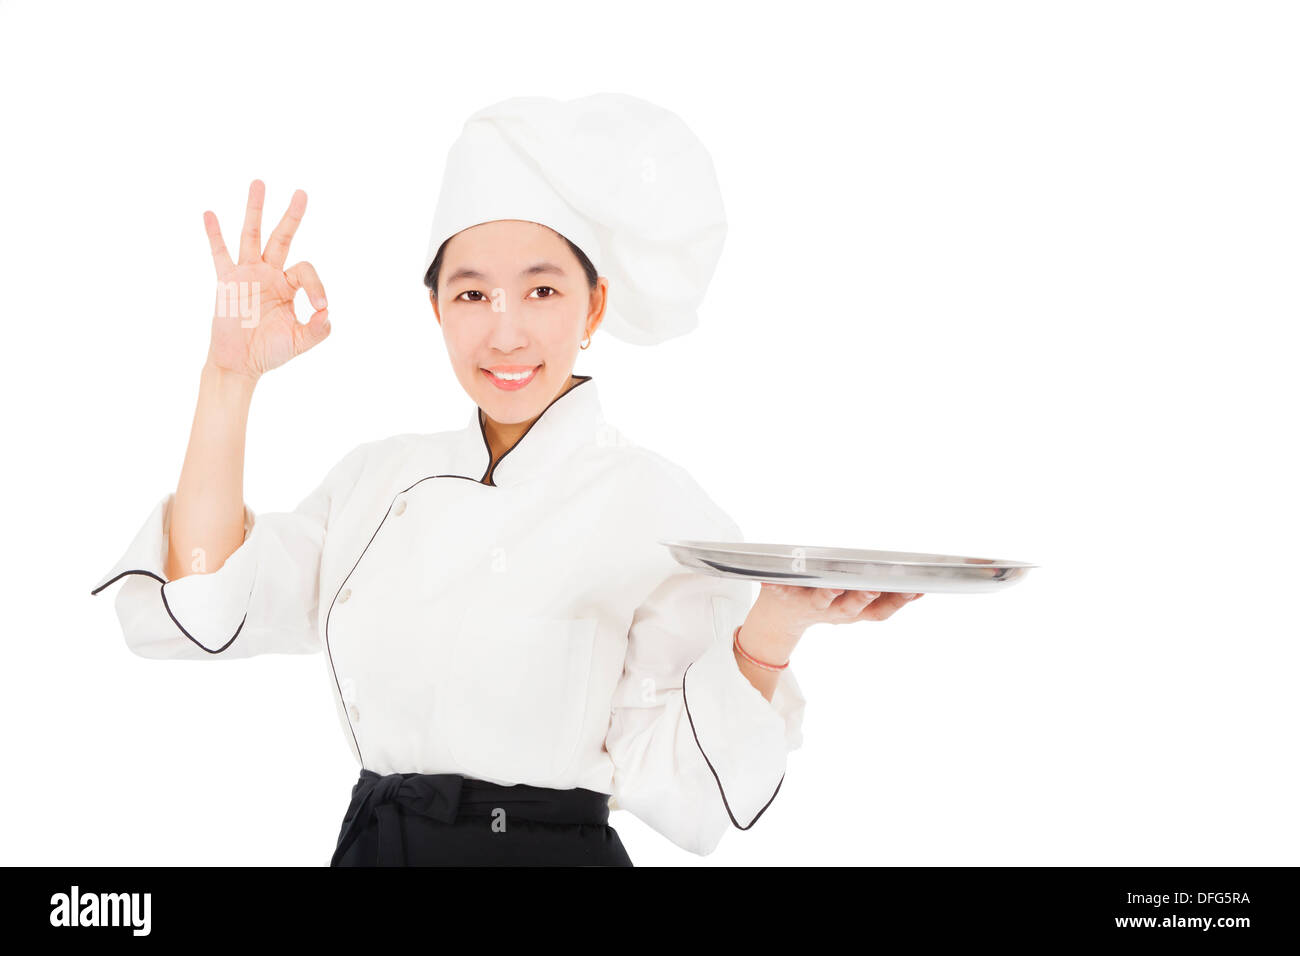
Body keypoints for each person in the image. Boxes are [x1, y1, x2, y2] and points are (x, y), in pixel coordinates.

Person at [91, 93, 924, 866]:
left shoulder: (651, 503)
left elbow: (691, 788)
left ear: (594, 308)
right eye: (472, 292)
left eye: (542, 288)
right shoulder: (377, 481)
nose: (506, 330)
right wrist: (228, 376)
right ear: (436, 310)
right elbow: (205, 601)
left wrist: (773, 627)